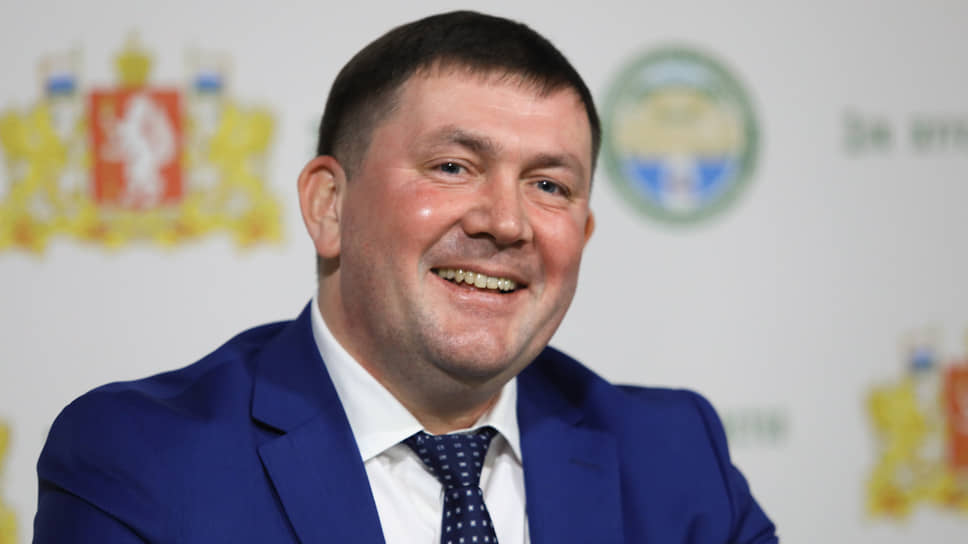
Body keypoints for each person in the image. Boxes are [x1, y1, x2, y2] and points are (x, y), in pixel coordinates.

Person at [34, 10, 777, 543]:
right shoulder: (143, 460)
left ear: (582, 235)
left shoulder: (676, 457)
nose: (506, 222)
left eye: (549, 185)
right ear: (330, 206)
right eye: (453, 167)